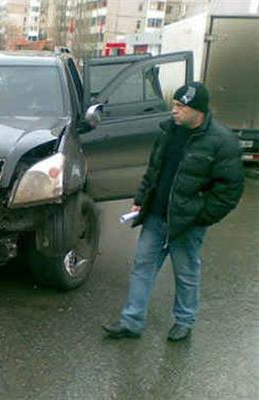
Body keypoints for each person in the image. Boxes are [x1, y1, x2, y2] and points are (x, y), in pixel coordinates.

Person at [103, 82, 244, 342]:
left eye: (180, 107)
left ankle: (184, 321)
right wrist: (140, 199)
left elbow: (230, 191)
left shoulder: (222, 142)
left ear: (197, 110)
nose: (174, 111)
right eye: (174, 105)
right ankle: (131, 322)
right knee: (142, 267)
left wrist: (199, 215)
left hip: (186, 224)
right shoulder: (169, 132)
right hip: (156, 217)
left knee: (186, 274)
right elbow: (154, 170)